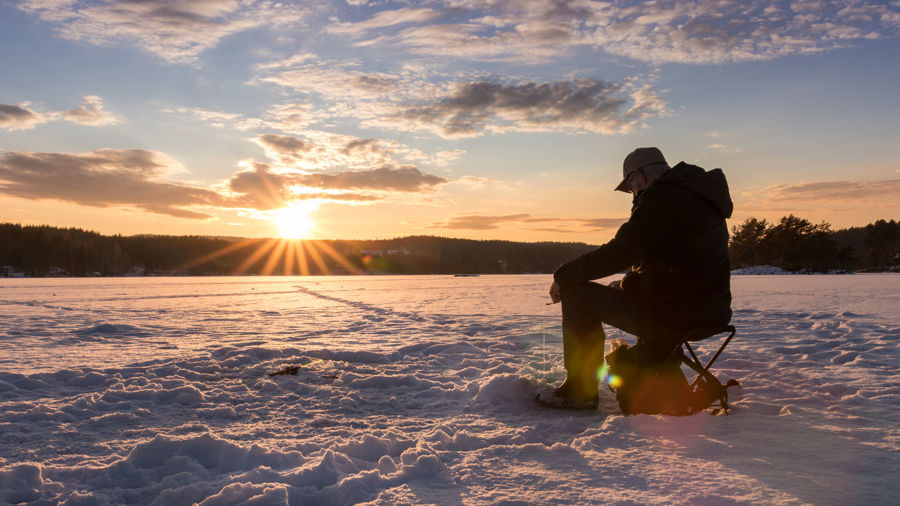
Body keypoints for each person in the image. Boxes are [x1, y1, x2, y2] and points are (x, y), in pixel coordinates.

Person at [543, 147, 733, 410]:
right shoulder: (695, 195)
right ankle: (653, 380)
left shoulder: (665, 197)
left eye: (630, 185)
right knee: (619, 289)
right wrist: (627, 283)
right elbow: (676, 264)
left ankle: (580, 391)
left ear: (639, 176)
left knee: (576, 294)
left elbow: (621, 252)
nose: (632, 192)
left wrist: (563, 275)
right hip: (709, 312)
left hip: (673, 314)